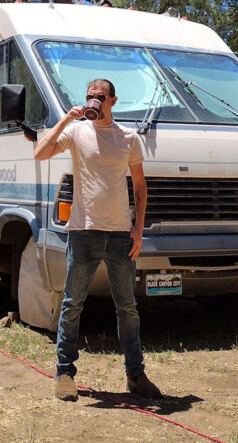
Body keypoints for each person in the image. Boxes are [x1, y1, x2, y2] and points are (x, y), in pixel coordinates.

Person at [34, 78, 162, 402]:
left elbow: (141, 186)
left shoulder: (128, 138)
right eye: (90, 96)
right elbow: (39, 153)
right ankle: (65, 374)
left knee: (128, 308)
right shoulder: (76, 132)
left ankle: (135, 375)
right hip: (83, 232)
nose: (94, 101)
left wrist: (138, 228)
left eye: (100, 97)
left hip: (120, 235)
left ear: (112, 101)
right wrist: (65, 118)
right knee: (72, 304)